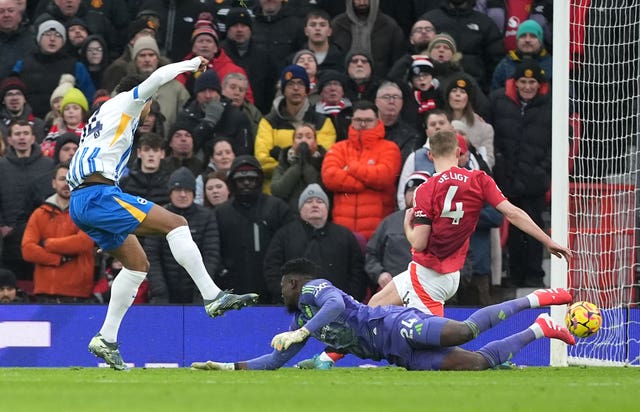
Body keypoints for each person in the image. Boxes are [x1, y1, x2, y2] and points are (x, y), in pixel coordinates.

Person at [66, 56, 259, 371]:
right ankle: (212, 296)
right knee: (177, 223)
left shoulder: (102, 112)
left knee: (137, 264)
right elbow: (156, 77)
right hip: (98, 194)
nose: (148, 113)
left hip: (83, 200)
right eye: (149, 106)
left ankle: (106, 338)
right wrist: (191, 63)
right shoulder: (127, 102)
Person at [191, 257, 576, 371]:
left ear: (293, 282)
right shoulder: (301, 324)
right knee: (475, 364)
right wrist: (229, 368)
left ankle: (537, 300)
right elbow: (274, 361)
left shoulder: (315, 288)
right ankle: (540, 330)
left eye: (281, 285)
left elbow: (338, 306)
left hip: (396, 325)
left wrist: (304, 332)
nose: (280, 292)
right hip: (397, 354)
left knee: (463, 332)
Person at [366, 130, 571, 315]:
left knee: (428, 344)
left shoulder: (425, 189)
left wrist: (407, 226)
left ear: (430, 156)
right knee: (374, 306)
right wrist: (547, 240)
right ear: (457, 152)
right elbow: (513, 213)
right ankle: (333, 355)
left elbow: (418, 242)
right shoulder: (480, 179)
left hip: (430, 274)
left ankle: (527, 332)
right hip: (446, 272)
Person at [489, 59, 552, 288]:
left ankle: (535, 275)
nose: (527, 86)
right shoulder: (498, 102)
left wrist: (542, 169)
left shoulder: (551, 105)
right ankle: (514, 274)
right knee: (514, 231)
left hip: (535, 181)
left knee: (535, 228)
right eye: (522, 81)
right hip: (508, 180)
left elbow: (557, 144)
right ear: (514, 83)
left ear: (540, 84)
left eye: (532, 82)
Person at [263, 184, 368, 303]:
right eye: (308, 201)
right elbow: (272, 269)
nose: (314, 205)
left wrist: (347, 301)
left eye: (320, 201)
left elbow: (357, 273)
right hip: (294, 308)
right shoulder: (284, 235)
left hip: (338, 308)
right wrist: (287, 297)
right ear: (300, 209)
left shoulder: (344, 236)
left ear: (327, 208)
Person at [215, 155, 294, 303]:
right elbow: (212, 247)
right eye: (240, 180)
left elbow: (290, 245)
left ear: (258, 180)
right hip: (231, 286)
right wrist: (222, 271)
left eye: (251, 179)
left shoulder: (277, 208)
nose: (246, 183)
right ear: (232, 182)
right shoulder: (221, 213)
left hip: (272, 287)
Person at [321, 100, 401, 240]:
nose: (363, 124)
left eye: (368, 120)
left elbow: (384, 177)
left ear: (377, 121)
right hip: (342, 230)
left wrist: (351, 167)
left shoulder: (389, 148)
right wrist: (365, 182)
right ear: (351, 121)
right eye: (358, 120)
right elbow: (330, 176)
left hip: (377, 230)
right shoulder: (338, 148)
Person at [255, 64, 336, 193]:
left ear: (307, 89)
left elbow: (323, 160)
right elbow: (262, 161)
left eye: (300, 83)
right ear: (283, 89)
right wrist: (301, 162)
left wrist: (281, 157)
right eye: (290, 84)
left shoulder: (323, 122)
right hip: (276, 195)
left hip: (311, 194)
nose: (296, 88)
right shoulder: (268, 122)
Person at [21, 162, 95, 303]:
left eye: (71, 180)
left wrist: (47, 244)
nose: (66, 184)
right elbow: (28, 250)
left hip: (78, 294)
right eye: (62, 179)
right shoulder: (39, 214)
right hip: (45, 293)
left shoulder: (86, 212)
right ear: (53, 183)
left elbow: (84, 242)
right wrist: (58, 259)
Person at [146, 167, 221, 304]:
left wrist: (203, 289)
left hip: (197, 293)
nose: (182, 194)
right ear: (170, 192)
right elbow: (152, 256)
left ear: (194, 193)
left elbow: (211, 254)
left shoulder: (206, 216)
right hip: (164, 293)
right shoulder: (158, 215)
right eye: (177, 190)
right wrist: (159, 291)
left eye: (187, 190)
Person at [0, 120, 55, 282]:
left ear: (33, 138)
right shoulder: (1, 166)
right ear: (9, 140)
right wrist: (2, 226)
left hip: (42, 238)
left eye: (26, 133)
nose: (22, 138)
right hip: (9, 238)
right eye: (17, 134)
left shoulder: (49, 165)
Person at [330, 0, 406, 77]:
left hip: (381, 80)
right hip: (342, 80)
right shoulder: (337, 25)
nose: (362, 2)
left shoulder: (389, 25)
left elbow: (397, 57)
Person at [270, 123, 326, 212]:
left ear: (315, 143)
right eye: (299, 137)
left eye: (308, 137)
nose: (303, 140)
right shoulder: (284, 163)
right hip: (288, 216)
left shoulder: (325, 163)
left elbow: (323, 190)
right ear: (293, 143)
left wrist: (306, 164)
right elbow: (277, 190)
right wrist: (298, 164)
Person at [490, 19, 553, 92]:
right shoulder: (505, 65)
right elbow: (495, 95)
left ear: (540, 41)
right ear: (517, 41)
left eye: (533, 36)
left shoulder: (552, 65)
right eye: (523, 36)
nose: (527, 40)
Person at [119, 132, 171, 207]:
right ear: (139, 153)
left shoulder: (171, 182)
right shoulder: (125, 183)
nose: (151, 154)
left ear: (162, 154)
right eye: (146, 150)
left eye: (155, 150)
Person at [0, 75, 46, 142]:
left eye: (18, 94)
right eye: (9, 94)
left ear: (24, 99)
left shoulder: (39, 125)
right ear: (3, 101)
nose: (14, 98)